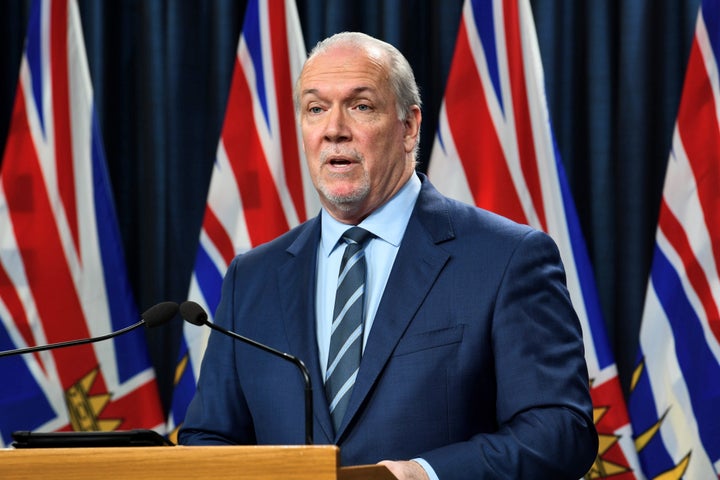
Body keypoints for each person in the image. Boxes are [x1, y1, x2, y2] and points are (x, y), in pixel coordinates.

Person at [179, 31, 598, 479]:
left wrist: (424, 473)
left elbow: (559, 431)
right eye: (315, 109)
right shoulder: (252, 277)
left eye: (361, 106)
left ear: (409, 126)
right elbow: (209, 439)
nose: (334, 129)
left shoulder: (507, 259)